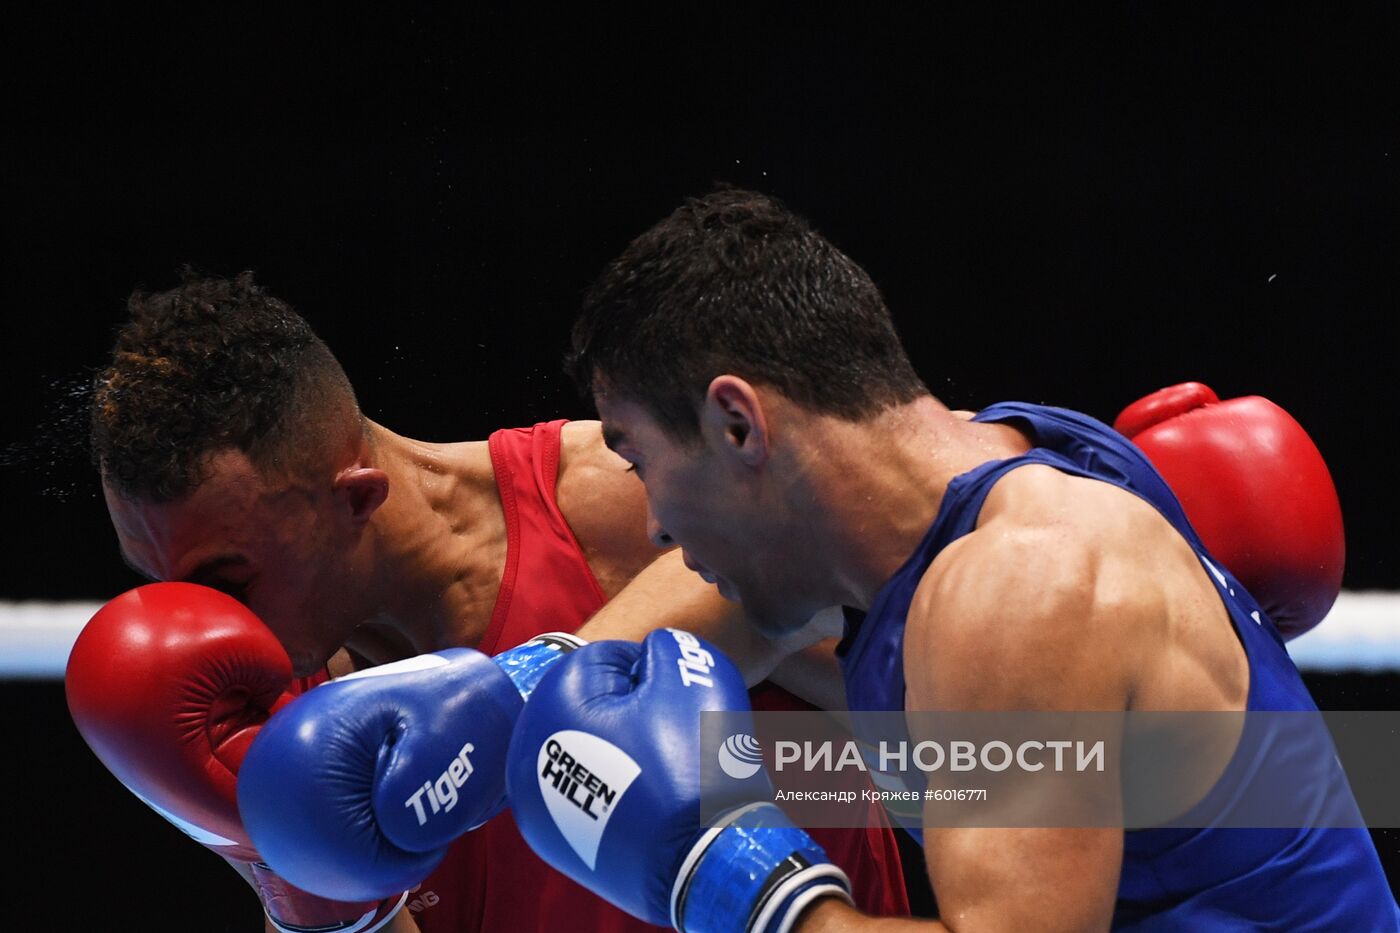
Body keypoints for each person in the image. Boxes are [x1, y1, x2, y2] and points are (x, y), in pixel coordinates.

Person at [485, 188, 1396, 931]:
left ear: (737, 423)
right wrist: (519, 694)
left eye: (642, 462)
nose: (654, 526)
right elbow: (735, 598)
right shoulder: (985, 466)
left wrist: (737, 886)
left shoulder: (1015, 588)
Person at [75, 270, 911, 932]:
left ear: (358, 497)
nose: (207, 621)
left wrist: (744, 833)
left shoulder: (632, 506)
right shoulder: (286, 700)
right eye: (167, 587)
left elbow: (1005, 767)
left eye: (227, 580)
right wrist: (292, 880)